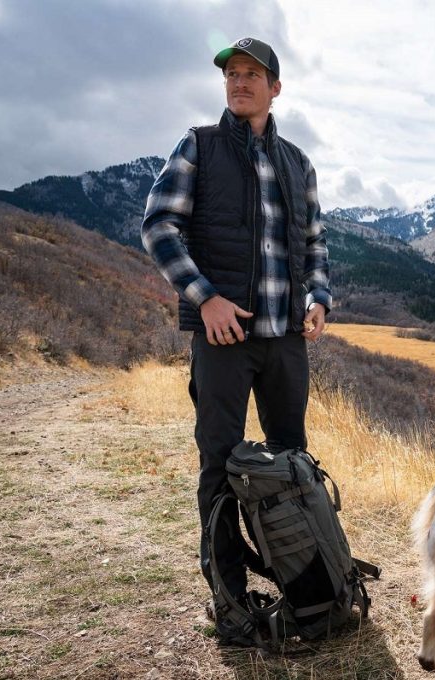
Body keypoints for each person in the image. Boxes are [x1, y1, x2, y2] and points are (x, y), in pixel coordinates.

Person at [140, 36, 330, 645]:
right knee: (220, 467)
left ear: (276, 88)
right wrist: (205, 297)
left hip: (286, 341)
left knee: (291, 463)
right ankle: (230, 600)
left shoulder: (299, 162)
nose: (240, 82)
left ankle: (305, 592)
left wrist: (319, 298)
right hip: (223, 339)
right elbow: (159, 225)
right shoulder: (199, 146)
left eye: (253, 74)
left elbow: (315, 246)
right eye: (232, 74)